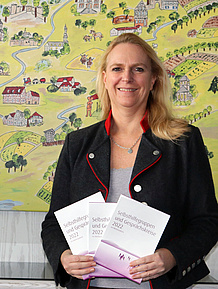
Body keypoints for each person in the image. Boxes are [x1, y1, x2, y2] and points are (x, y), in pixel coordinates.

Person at [41, 33, 218, 289]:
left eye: (138, 69)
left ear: (153, 78)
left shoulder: (184, 141)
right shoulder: (77, 144)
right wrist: (63, 256)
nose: (127, 78)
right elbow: (54, 223)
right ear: (105, 78)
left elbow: (208, 221)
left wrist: (171, 257)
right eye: (117, 69)